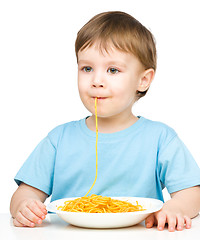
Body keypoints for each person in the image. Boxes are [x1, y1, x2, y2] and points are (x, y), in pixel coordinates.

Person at [10, 11, 200, 231]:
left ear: (143, 80)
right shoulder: (59, 138)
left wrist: (176, 207)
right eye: (87, 68)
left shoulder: (160, 138)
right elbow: (25, 193)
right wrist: (24, 206)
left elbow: (192, 193)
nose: (97, 81)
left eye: (112, 70)